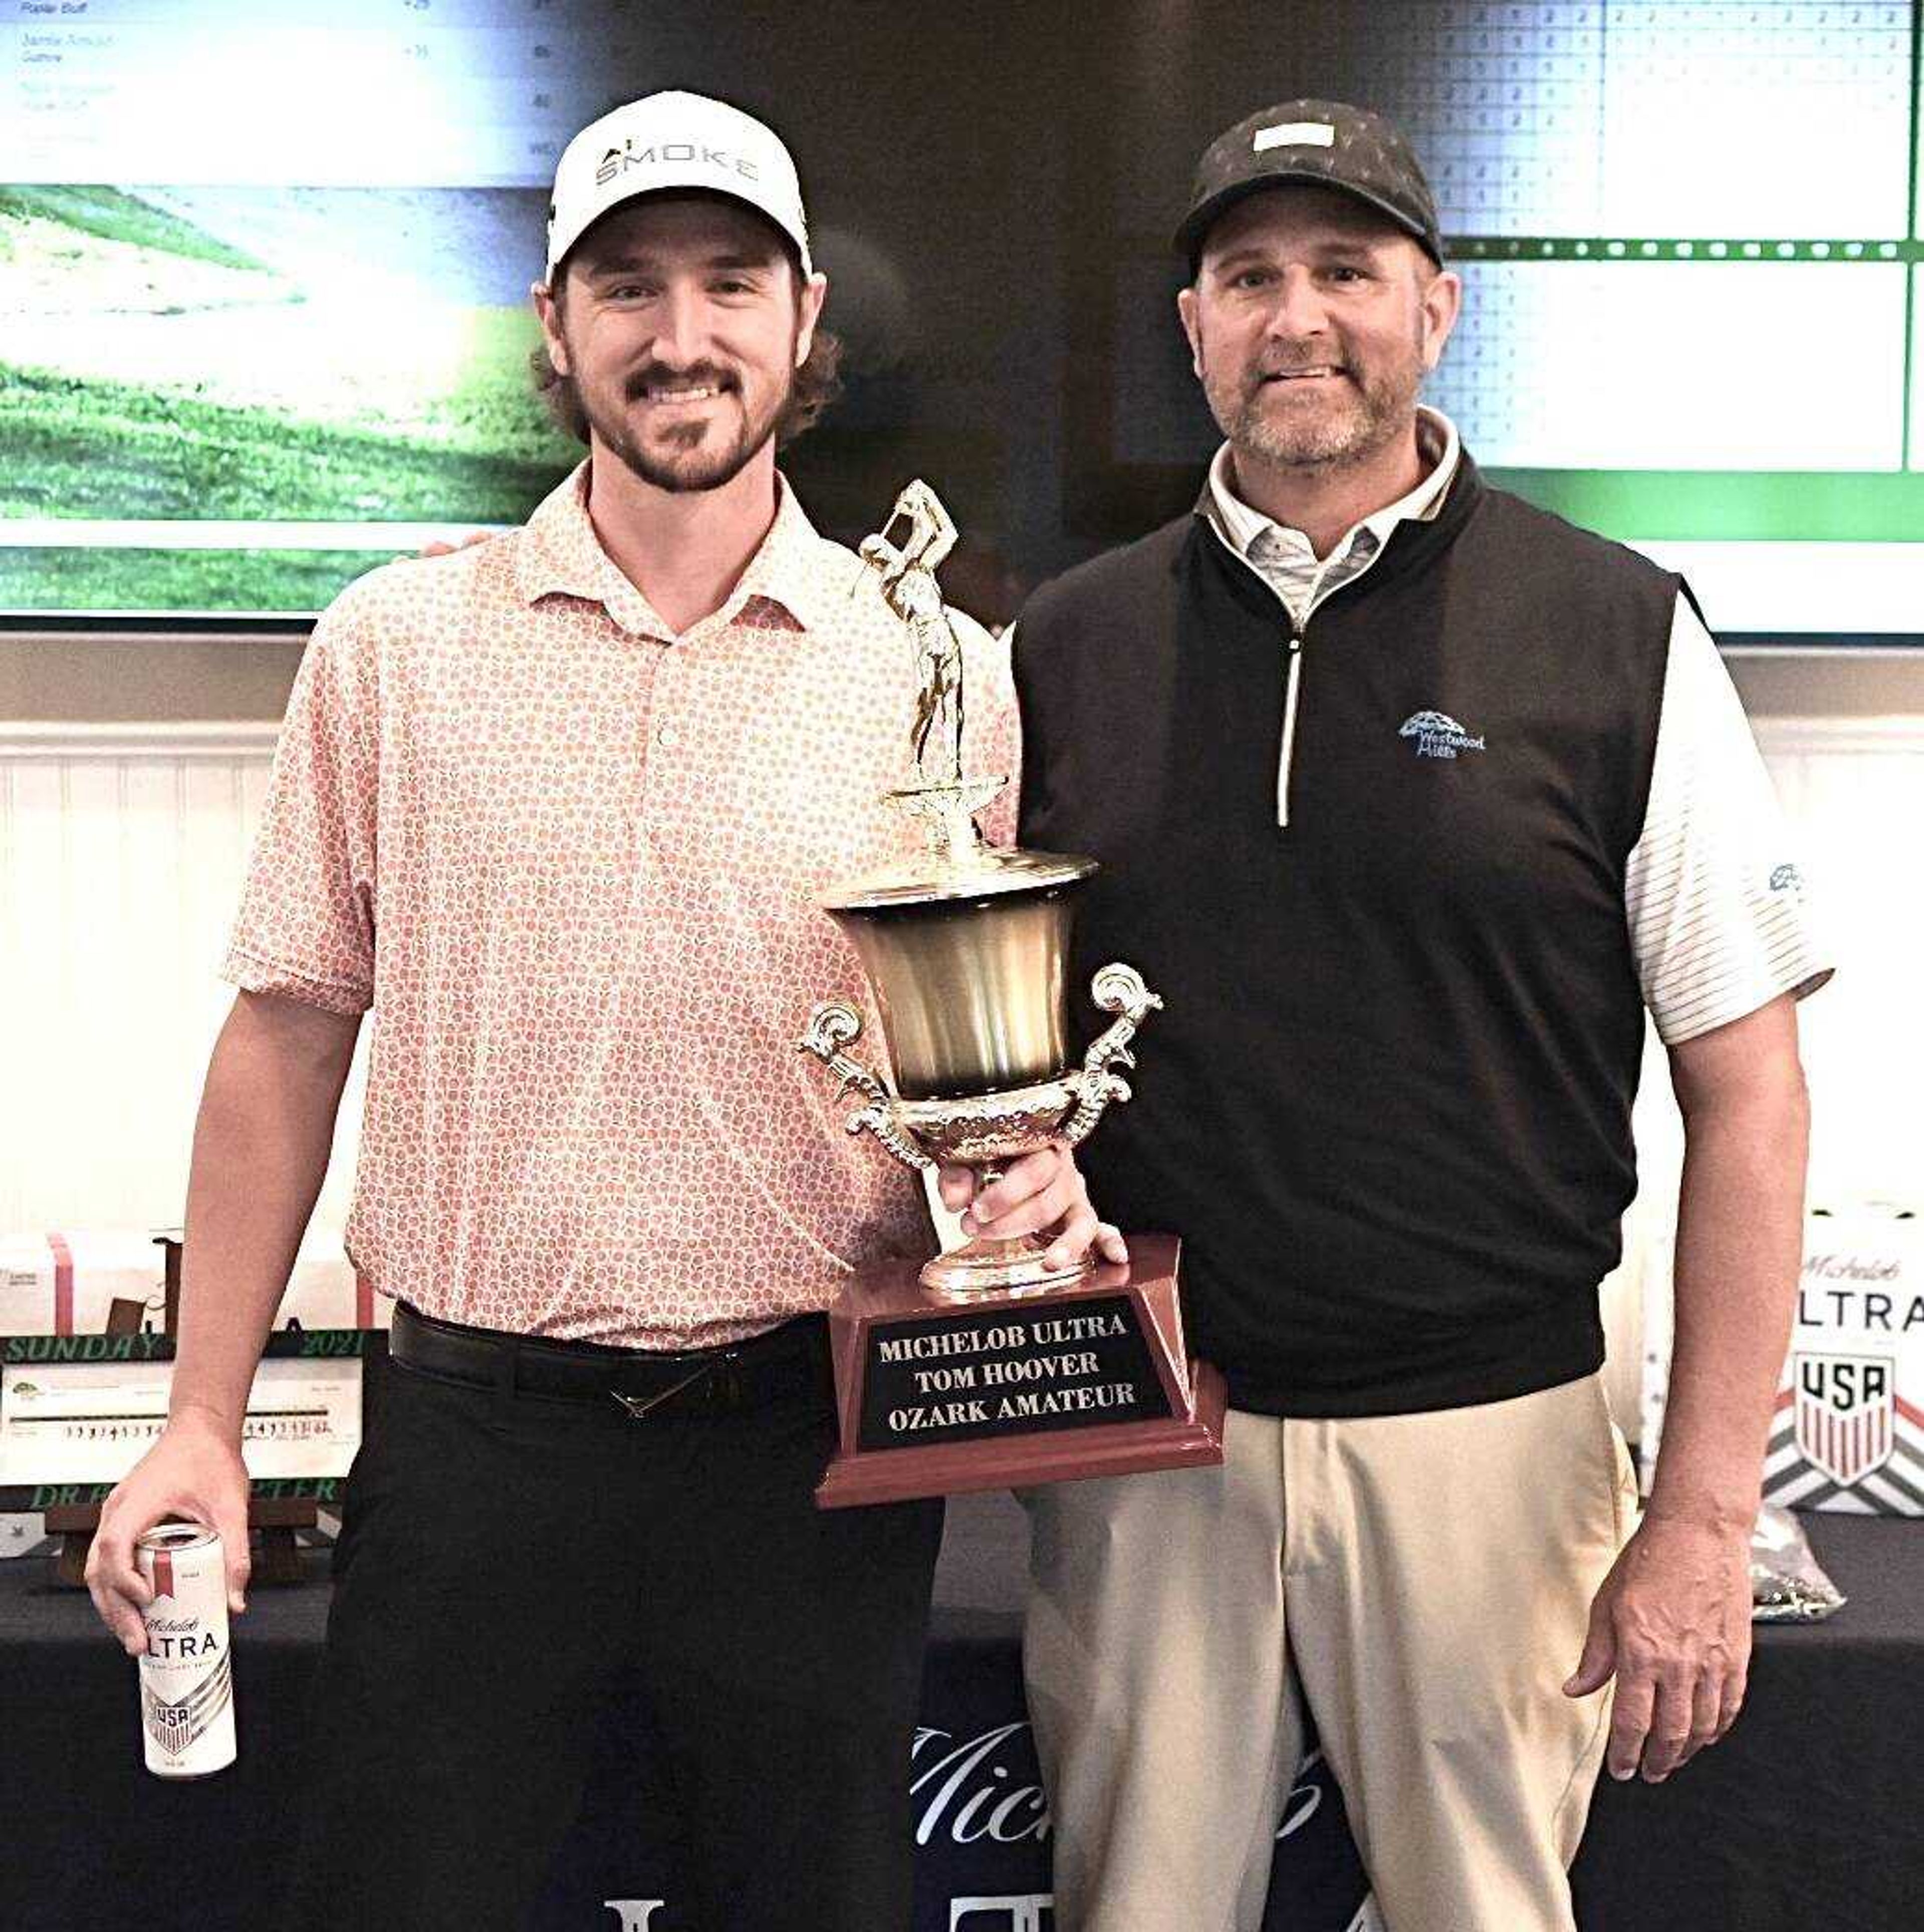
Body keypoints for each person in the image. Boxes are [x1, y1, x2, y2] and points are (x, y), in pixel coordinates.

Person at [84, 89, 1108, 1932]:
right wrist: (199, 1420)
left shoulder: (943, 672)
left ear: (806, 325)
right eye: (627, 287)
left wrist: (1023, 1185)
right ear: (556, 331)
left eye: (731, 282)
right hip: (476, 1456)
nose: (682, 335)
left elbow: (979, 1068)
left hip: (812, 1449)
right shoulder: (393, 646)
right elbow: (289, 1032)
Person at [991, 100, 1831, 1932]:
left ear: (1437, 309)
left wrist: (1698, 1517)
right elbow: (994, 1058)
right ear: (1193, 325)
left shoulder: (1615, 629)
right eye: (1250, 277)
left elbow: (1751, 1096)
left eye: (1347, 271)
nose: (1300, 318)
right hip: (1148, 1440)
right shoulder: (1058, 644)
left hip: (1497, 1442)